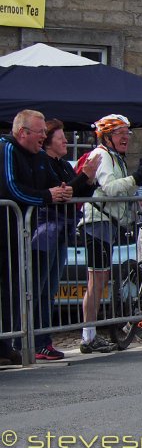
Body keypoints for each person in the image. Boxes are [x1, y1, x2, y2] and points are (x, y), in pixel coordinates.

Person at [77, 115, 142, 353]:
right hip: (98, 223)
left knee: (99, 280)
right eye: (119, 133)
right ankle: (88, 335)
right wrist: (138, 177)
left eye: (127, 133)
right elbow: (111, 189)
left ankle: (90, 334)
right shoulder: (102, 155)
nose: (126, 137)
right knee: (97, 280)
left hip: (108, 223)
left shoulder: (115, 157)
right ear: (106, 137)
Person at [0, 111, 74, 364]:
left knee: (14, 288)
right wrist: (47, 196)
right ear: (23, 133)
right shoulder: (7, 149)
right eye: (39, 131)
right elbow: (12, 188)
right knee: (6, 287)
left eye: (44, 131)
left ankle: (6, 344)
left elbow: (57, 184)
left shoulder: (40, 156)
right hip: (5, 228)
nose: (44, 135)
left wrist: (71, 187)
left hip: (22, 232)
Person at [29, 119, 99, 360]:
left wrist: (88, 179)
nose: (65, 142)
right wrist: (82, 178)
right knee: (40, 287)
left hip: (63, 228)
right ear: (49, 142)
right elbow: (62, 191)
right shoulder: (43, 162)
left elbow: (76, 191)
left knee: (49, 288)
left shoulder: (63, 165)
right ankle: (36, 340)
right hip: (46, 229)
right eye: (60, 138)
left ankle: (43, 340)